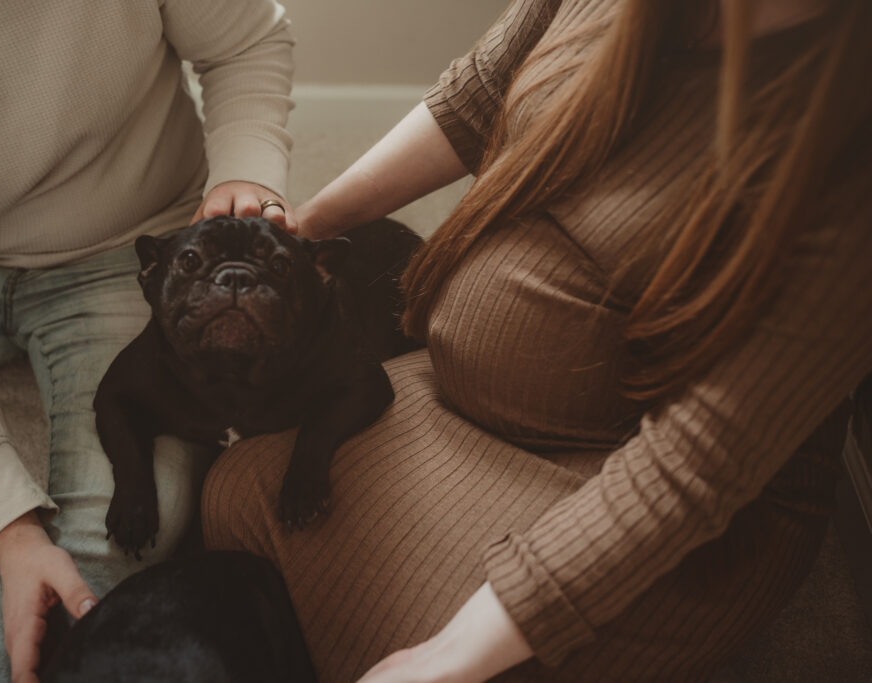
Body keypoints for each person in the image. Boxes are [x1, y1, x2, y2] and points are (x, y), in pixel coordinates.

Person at [200, 0, 872, 680]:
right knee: (235, 498)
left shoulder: (848, 139)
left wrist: (448, 657)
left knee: (414, 641)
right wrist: (306, 230)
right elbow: (478, 99)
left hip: (643, 476)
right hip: (466, 401)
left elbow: (695, 465)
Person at [0, 2, 295, 680]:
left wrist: (247, 174)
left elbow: (247, 43)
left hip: (126, 240)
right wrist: (6, 524)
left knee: (126, 532)